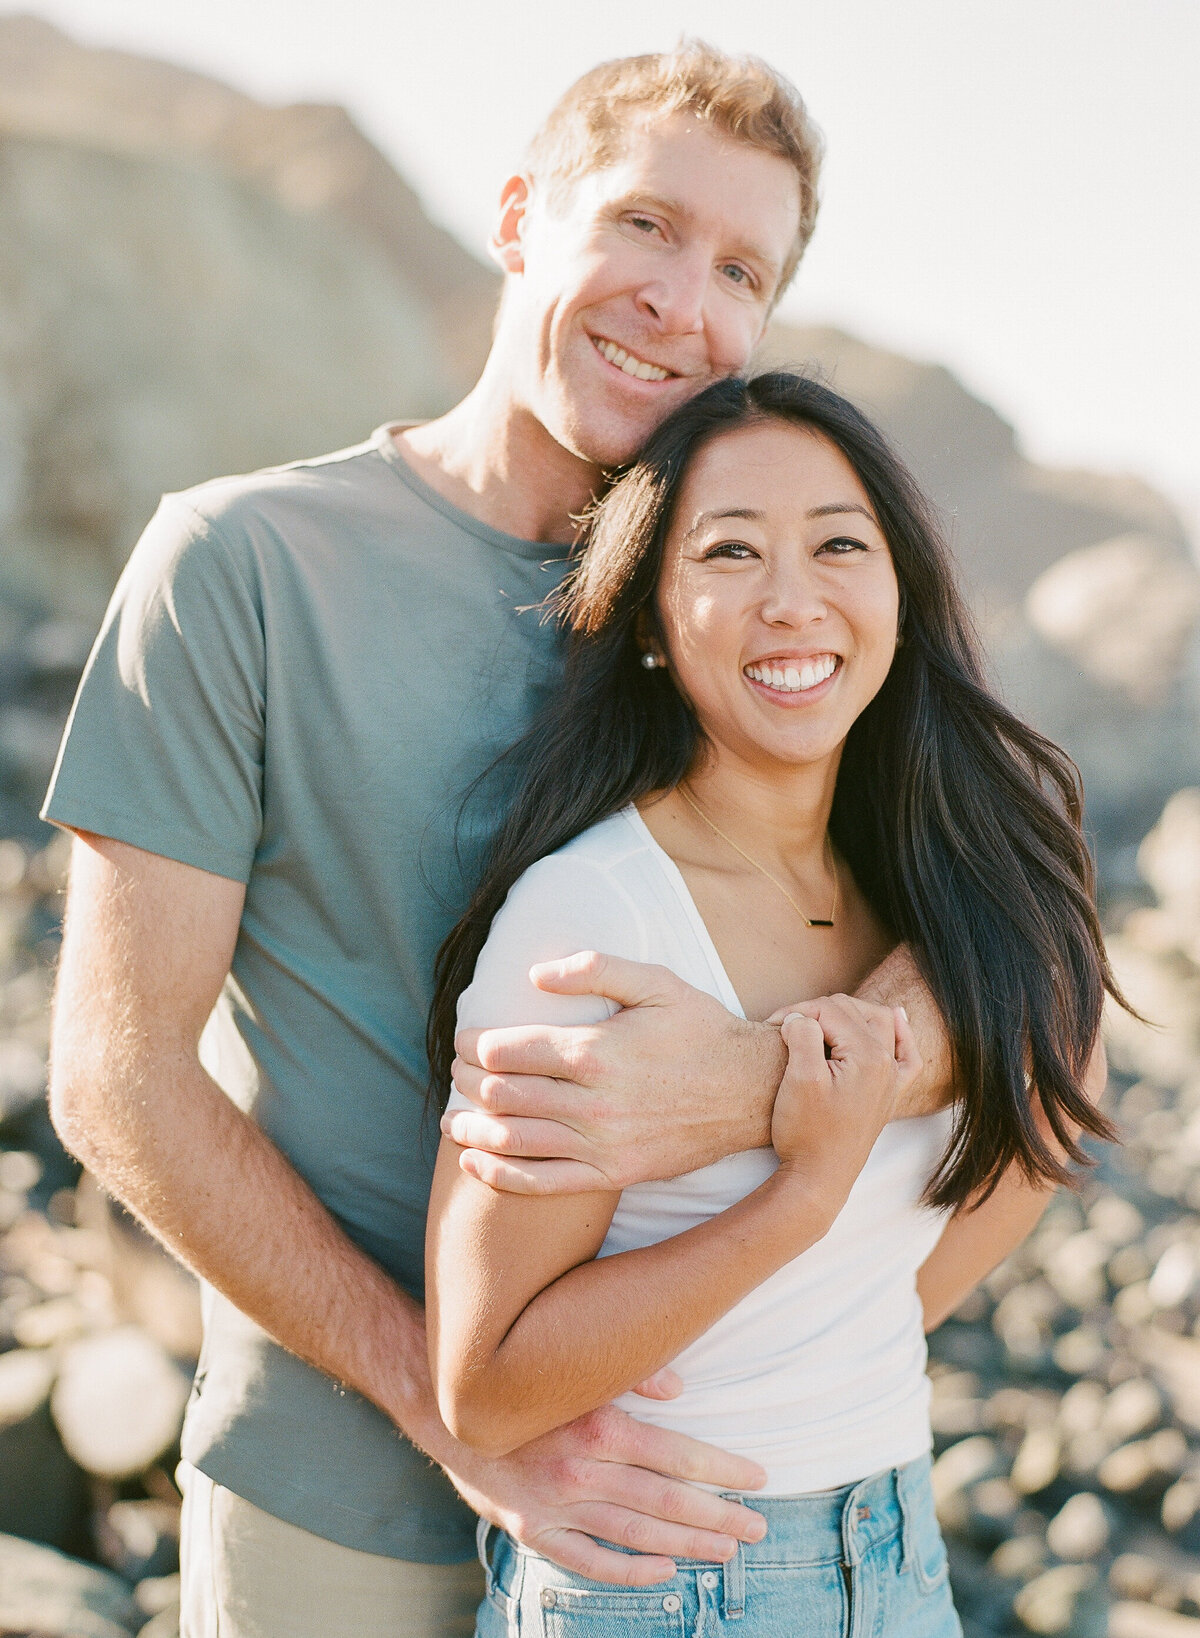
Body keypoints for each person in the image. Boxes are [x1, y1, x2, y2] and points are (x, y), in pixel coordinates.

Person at [43, 41, 934, 1638]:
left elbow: (1004, 937)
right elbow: (119, 1078)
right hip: (340, 1503)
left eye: (740, 266)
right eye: (646, 227)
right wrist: (453, 1412)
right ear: (523, 216)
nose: (682, 299)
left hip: (685, 1524)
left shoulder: (734, 611)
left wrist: (804, 1225)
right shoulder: (243, 563)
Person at [425, 372, 1118, 1635]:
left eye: (838, 545)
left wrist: (840, 1342)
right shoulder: (595, 925)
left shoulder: (937, 886)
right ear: (650, 622)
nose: (792, 600)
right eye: (730, 553)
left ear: (898, 594)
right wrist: (798, 1202)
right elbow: (487, 1385)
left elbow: (1058, 1106)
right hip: (667, 1585)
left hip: (898, 1549)